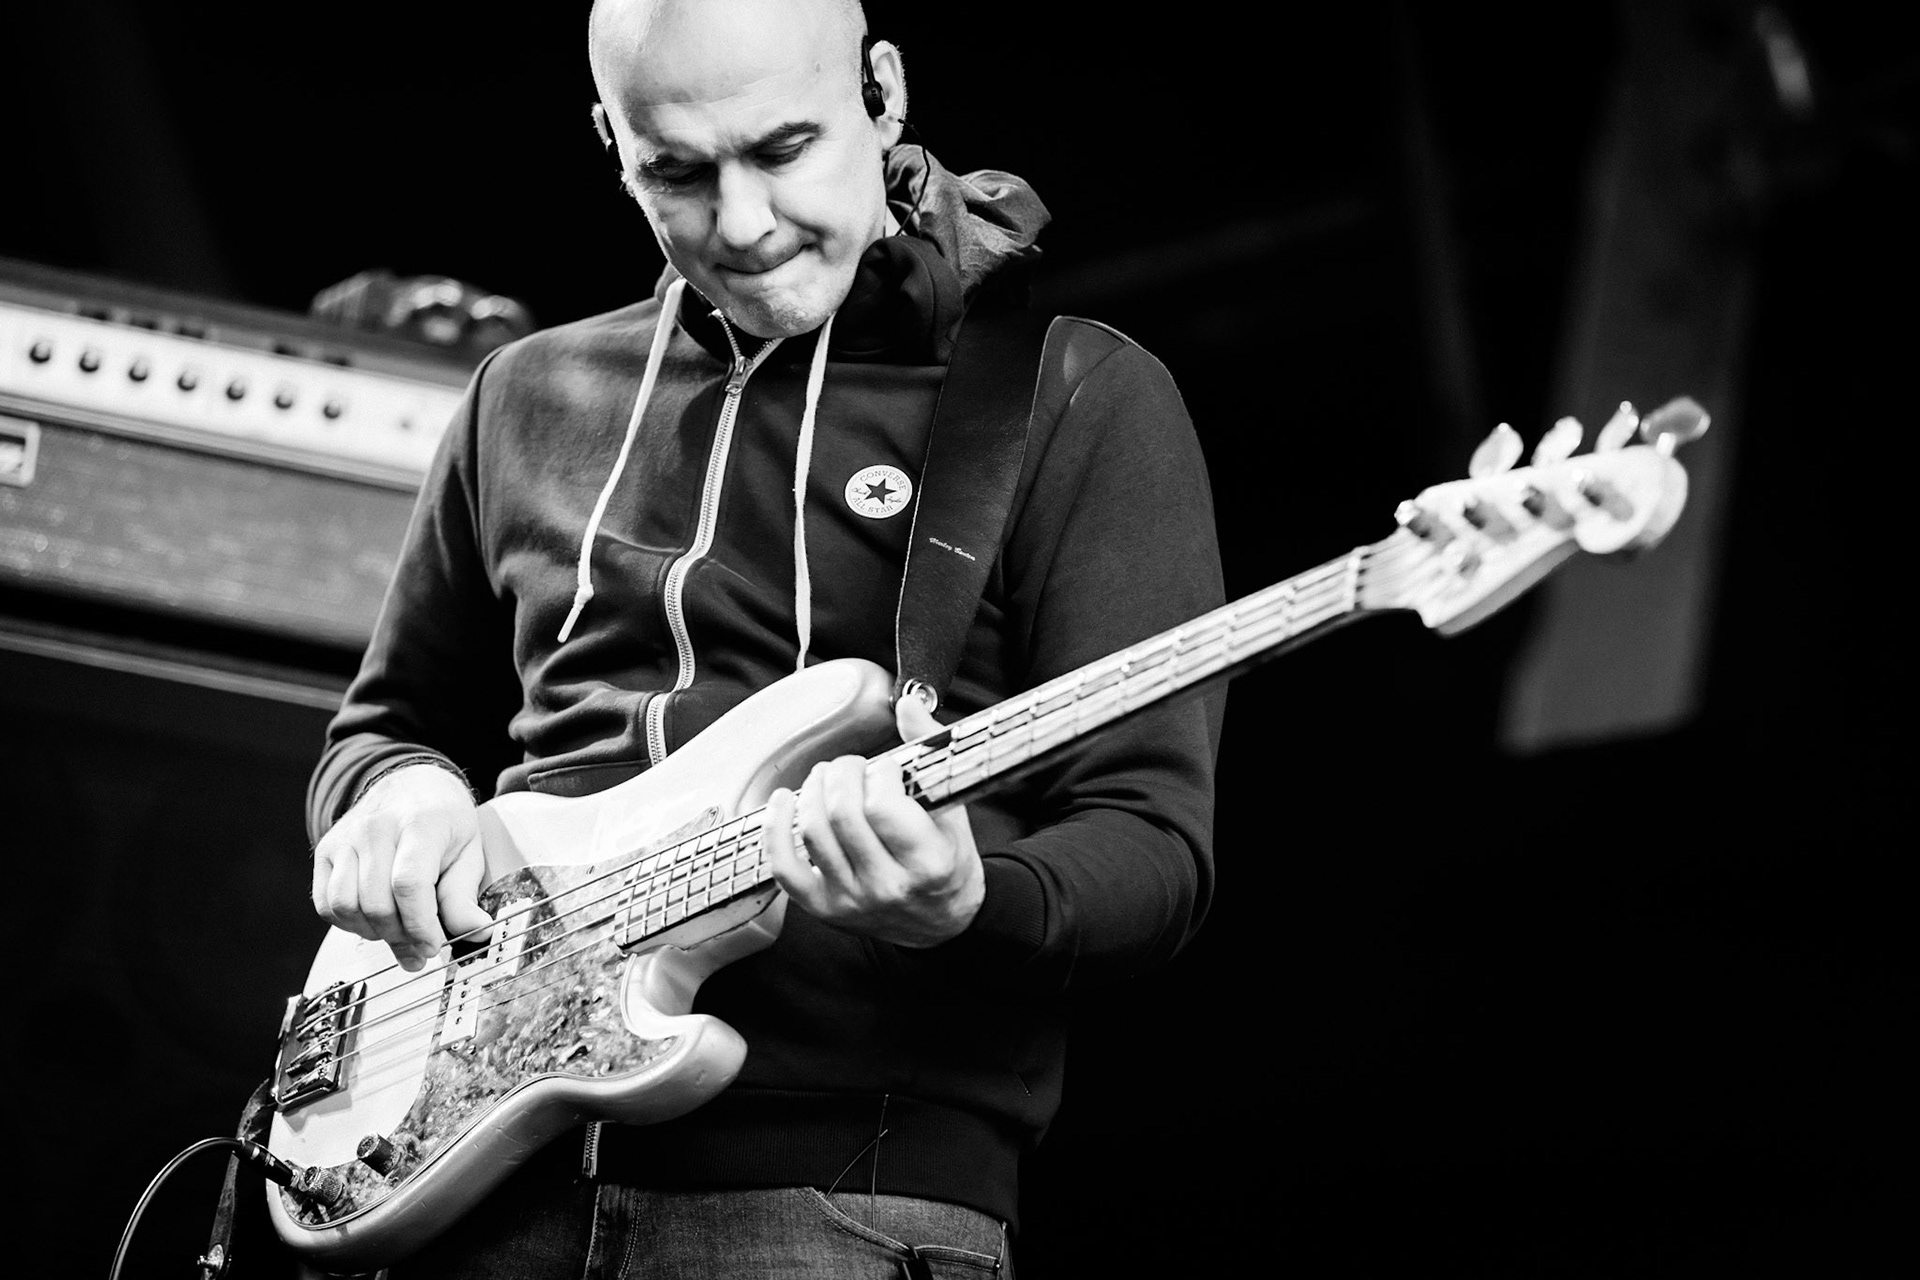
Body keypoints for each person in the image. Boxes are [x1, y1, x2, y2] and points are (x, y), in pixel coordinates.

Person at [306, 0, 1225, 1274]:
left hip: (833, 1198)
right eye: (676, 171)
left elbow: (1153, 841)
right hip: (454, 1178)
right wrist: (392, 802)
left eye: (784, 148)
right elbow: (390, 726)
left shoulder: (1069, 398)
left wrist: (968, 899)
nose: (740, 225)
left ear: (883, 89)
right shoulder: (521, 395)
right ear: (608, 139)